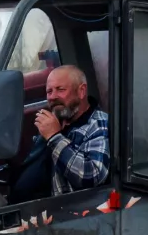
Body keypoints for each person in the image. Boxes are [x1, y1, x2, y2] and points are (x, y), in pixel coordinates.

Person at [13, 65, 110, 201]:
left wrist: (54, 137)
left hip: (70, 213)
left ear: (81, 91)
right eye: (49, 91)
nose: (52, 97)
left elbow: (92, 175)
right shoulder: (57, 121)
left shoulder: (98, 124)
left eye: (60, 90)